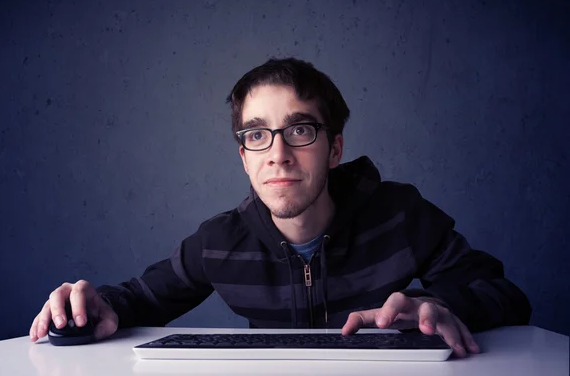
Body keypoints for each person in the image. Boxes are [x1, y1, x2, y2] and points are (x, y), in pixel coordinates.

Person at [29, 57, 531, 358]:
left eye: (299, 129)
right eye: (257, 135)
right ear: (244, 157)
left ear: (334, 148)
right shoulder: (219, 243)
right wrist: (96, 306)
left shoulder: (401, 215)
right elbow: (140, 297)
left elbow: (506, 295)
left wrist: (438, 307)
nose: (278, 153)